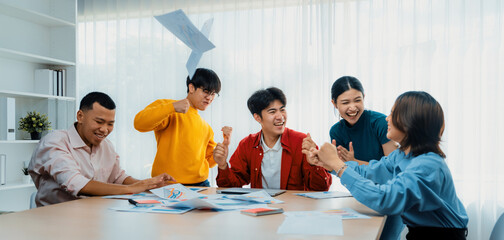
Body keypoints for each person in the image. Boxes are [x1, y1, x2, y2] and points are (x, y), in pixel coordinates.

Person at [305, 91, 469, 239]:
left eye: (392, 113)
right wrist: (328, 163)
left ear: (410, 121)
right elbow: (369, 172)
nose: (386, 118)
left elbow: (385, 199)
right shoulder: (402, 154)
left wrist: (337, 165)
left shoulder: (428, 165)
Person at [29, 92, 174, 207]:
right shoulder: (55, 142)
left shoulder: (106, 146)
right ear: (80, 116)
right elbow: (77, 184)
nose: (105, 130)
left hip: (94, 216)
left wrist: (152, 185)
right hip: (55, 219)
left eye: (110, 124)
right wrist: (136, 188)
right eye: (99, 122)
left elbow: (118, 178)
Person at [324, 75, 402, 239]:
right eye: (345, 103)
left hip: (390, 196)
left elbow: (394, 171)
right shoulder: (336, 131)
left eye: (357, 100)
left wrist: (353, 163)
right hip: (362, 195)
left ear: (364, 98)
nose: (352, 107)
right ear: (334, 103)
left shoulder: (381, 123)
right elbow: (341, 168)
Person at [215, 87, 332, 190]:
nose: (280, 117)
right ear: (257, 117)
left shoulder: (302, 142)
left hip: (293, 210)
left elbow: (322, 189)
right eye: (272, 111)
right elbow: (231, 186)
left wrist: (315, 165)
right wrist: (222, 165)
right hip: (261, 210)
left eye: (282, 109)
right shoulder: (247, 144)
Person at [134, 68, 221, 187]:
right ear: (191, 88)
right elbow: (139, 123)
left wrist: (217, 156)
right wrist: (172, 107)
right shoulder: (169, 108)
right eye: (206, 91)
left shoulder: (206, 128)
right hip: (168, 185)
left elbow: (208, 162)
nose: (209, 97)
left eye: (213, 94)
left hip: (201, 184)